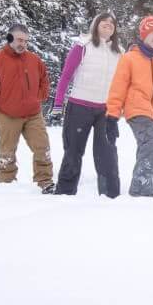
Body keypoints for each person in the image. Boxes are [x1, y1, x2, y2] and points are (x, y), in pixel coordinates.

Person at [51, 13, 123, 197]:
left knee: (107, 154)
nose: (108, 25)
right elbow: (66, 75)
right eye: (104, 23)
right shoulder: (83, 46)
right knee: (73, 152)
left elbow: (123, 83)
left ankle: (110, 196)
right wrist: (58, 103)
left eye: (111, 24)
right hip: (79, 107)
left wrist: (121, 108)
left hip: (106, 111)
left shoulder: (119, 52)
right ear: (96, 25)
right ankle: (64, 194)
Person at [105, 15, 153, 198]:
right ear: (144, 33)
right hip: (137, 111)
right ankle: (141, 192)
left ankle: (139, 192)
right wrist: (112, 116)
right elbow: (118, 88)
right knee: (152, 145)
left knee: (147, 150)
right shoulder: (129, 58)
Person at [0, 24, 55, 193]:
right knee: (7, 151)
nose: (23, 44)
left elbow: (44, 80)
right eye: (20, 40)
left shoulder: (34, 59)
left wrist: (39, 97)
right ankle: (6, 183)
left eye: (26, 41)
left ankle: (45, 181)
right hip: (7, 114)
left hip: (33, 114)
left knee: (43, 147)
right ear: (10, 39)